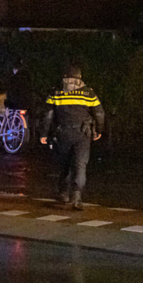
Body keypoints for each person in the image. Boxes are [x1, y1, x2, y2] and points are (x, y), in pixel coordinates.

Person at [40, 65, 105, 210]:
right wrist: (99, 130)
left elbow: (48, 115)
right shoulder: (88, 93)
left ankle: (63, 194)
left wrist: (44, 134)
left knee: (65, 165)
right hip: (82, 134)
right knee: (80, 165)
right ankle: (76, 197)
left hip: (62, 134)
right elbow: (99, 113)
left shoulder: (56, 93)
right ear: (80, 78)